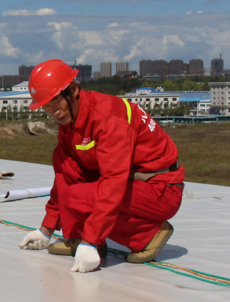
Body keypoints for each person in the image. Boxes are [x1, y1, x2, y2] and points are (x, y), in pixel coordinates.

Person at [19, 59, 184, 272]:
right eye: (46, 106)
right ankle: (79, 236)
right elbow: (64, 174)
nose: (54, 112)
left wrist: (91, 240)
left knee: (77, 197)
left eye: (56, 101)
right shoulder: (73, 119)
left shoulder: (108, 118)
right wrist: (46, 229)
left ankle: (149, 234)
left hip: (159, 189)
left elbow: (113, 181)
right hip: (133, 183)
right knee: (64, 159)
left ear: (73, 90)